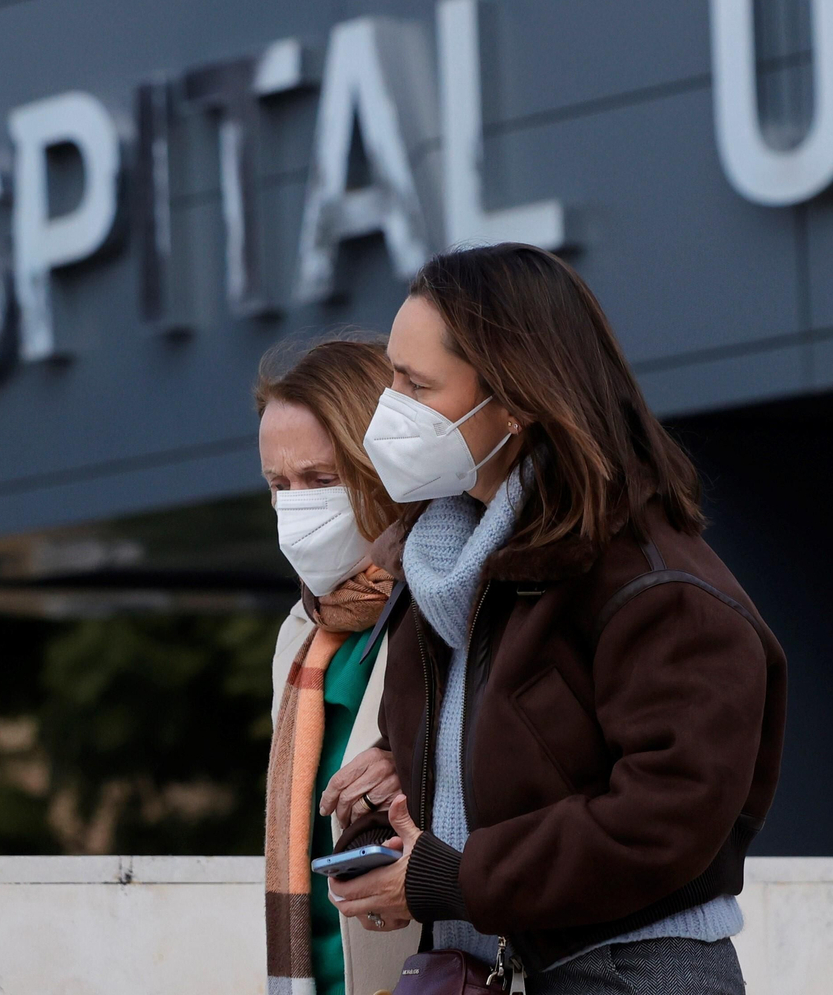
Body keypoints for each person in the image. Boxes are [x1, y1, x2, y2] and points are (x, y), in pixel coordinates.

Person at [329, 244, 788, 995]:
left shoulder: (655, 586)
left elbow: (666, 813)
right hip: (488, 969)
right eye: (391, 376)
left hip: (627, 973)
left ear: (516, 401)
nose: (390, 408)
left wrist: (453, 876)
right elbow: (505, 768)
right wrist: (385, 833)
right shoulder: (444, 565)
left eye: (417, 384)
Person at [256, 336, 423, 995]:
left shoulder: (448, 604)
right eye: (278, 484)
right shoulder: (302, 632)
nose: (296, 504)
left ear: (382, 469)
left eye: (321, 480)